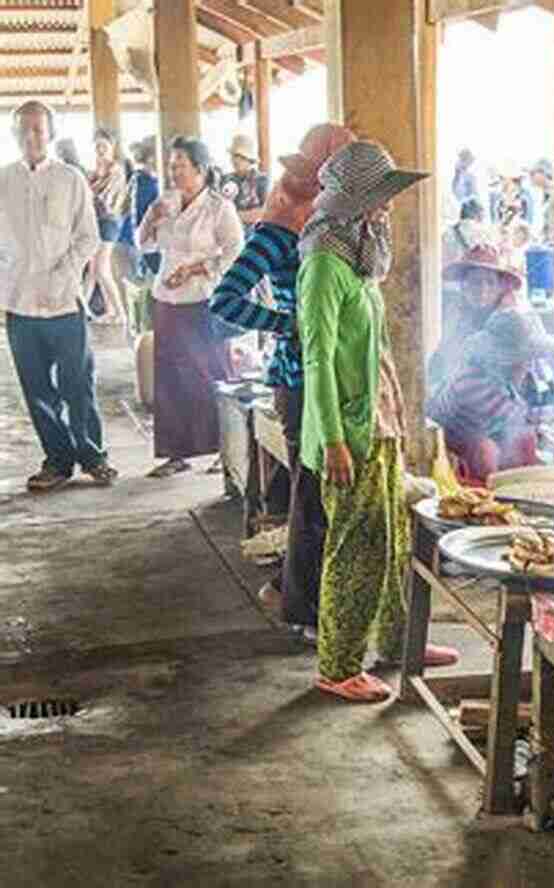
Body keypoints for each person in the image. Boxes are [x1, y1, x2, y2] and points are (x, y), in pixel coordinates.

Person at [297, 141, 455, 702]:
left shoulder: (358, 256)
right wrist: (334, 440)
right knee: (354, 547)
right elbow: (316, 358)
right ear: (354, 201)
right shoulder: (322, 263)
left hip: (381, 423)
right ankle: (337, 666)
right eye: (380, 198)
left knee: (391, 537)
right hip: (350, 433)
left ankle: (398, 642)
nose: (388, 208)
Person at [209, 123, 356, 640]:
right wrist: (287, 325)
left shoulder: (329, 225)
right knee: (313, 497)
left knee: (316, 498)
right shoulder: (276, 232)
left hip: (332, 379)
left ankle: (290, 589)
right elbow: (224, 301)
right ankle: (303, 609)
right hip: (299, 379)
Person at [0, 101, 117, 491]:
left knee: (77, 384)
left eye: (38, 129)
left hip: (65, 304)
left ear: (50, 133)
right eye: (24, 130)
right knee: (36, 390)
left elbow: (88, 237)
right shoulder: (5, 181)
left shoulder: (70, 179)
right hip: (20, 306)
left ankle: (93, 455)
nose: (31, 137)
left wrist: (63, 275)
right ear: (14, 134)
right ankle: (57, 460)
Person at [136, 136, 243, 479]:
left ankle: (224, 449)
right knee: (170, 377)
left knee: (211, 372)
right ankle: (175, 452)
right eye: (171, 165)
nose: (173, 171)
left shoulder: (218, 208)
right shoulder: (165, 202)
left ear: (200, 169)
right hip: (167, 298)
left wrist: (195, 269)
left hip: (204, 299)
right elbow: (144, 244)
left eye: (180, 165)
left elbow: (233, 253)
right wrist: (150, 220)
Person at [426, 308, 554, 485]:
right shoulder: (471, 381)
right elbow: (520, 418)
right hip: (452, 458)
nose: (528, 366)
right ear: (506, 360)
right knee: (486, 450)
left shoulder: (502, 380)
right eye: (525, 358)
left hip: (484, 445)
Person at [427, 243, 523, 392]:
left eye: (490, 283)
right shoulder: (457, 317)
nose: (483, 290)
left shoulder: (510, 322)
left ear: (500, 288)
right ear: (464, 286)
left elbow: (516, 382)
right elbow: (438, 365)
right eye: (475, 282)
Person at [86, 127, 129, 325]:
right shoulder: (96, 170)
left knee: (102, 269)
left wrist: (88, 189)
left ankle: (120, 314)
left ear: (112, 147)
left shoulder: (115, 169)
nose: (100, 150)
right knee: (94, 268)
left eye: (104, 146)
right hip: (97, 221)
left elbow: (103, 197)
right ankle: (107, 311)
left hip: (109, 221)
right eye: (97, 147)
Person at [118, 138, 161, 285]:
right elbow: (139, 215)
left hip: (140, 241)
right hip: (140, 242)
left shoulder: (147, 179)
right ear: (151, 158)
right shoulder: (144, 180)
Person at [222, 134, 269, 234]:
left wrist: (234, 215)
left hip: (254, 234)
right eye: (234, 155)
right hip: (229, 234)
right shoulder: (225, 179)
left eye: (241, 157)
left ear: (249, 159)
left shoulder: (262, 179)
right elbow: (219, 212)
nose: (236, 160)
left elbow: (264, 212)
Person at [442, 198, 489, 268]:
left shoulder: (447, 233)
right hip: (471, 275)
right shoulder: (482, 232)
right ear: (479, 215)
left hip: (449, 274)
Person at [529, 158, 554, 246]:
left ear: (543, 173)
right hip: (547, 241)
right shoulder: (543, 194)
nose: (531, 177)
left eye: (533, 173)